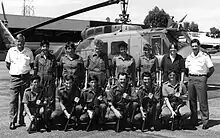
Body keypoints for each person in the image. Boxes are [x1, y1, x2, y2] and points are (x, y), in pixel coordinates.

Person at [5, 34, 34, 130]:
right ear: (15, 42)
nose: (20, 43)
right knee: (13, 101)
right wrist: (15, 72)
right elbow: (7, 64)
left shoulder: (28, 52)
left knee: (24, 100)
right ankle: (12, 121)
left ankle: (21, 120)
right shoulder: (11, 51)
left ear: (24, 42)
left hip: (25, 78)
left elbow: (31, 64)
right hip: (14, 78)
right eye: (18, 41)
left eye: (21, 41)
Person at [185, 39, 214, 129]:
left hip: (201, 78)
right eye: (193, 46)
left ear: (199, 46)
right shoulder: (189, 57)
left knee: (202, 101)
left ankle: (205, 121)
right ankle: (194, 120)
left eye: (196, 46)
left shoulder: (204, 56)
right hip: (191, 78)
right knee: (192, 101)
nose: (194, 48)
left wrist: (204, 78)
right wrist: (189, 77)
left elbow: (211, 69)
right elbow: (186, 69)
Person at [34, 40, 57, 110]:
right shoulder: (37, 57)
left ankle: (50, 116)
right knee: (40, 97)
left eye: (47, 46)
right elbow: (35, 70)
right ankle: (39, 116)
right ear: (41, 47)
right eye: (43, 46)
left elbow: (55, 70)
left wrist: (56, 80)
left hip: (50, 81)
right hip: (40, 81)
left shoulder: (53, 57)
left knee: (50, 98)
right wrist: (34, 80)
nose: (45, 48)